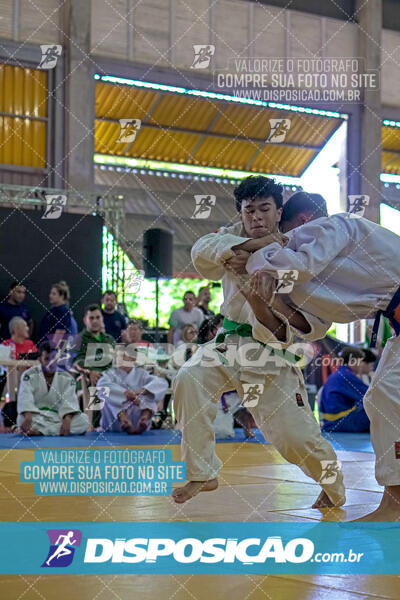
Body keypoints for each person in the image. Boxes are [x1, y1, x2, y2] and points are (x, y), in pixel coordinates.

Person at [172, 175, 345, 509]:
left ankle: (335, 488)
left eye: (264, 209)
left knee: (297, 441)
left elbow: (301, 327)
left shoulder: (299, 252)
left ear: (279, 211)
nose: (256, 218)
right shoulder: (229, 238)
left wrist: (260, 252)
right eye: (248, 211)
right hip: (226, 346)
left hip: (271, 356)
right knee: (188, 378)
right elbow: (200, 253)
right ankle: (203, 472)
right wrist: (248, 246)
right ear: (240, 213)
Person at [240, 190, 400, 521]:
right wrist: (264, 299)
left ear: (303, 221)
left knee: (385, 395)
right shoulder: (308, 273)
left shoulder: (337, 226)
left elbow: (301, 263)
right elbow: (311, 328)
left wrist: (254, 256)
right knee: (381, 398)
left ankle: (394, 505)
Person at [17, 342, 89, 436]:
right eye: (47, 359)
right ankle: (55, 431)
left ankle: (40, 432)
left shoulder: (67, 378)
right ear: (39, 359)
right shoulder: (29, 375)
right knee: (21, 419)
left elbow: (70, 401)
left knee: (83, 421)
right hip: (37, 416)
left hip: (58, 417)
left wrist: (67, 419)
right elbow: (25, 397)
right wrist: (28, 416)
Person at [97, 348, 168, 434]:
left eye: (123, 356)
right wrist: (125, 394)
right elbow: (101, 384)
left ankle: (144, 417)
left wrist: (140, 392)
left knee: (150, 394)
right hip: (114, 424)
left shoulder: (141, 374)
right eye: (117, 356)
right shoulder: (110, 373)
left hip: (137, 417)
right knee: (106, 395)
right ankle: (122, 417)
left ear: (133, 358)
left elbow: (162, 384)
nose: (118, 359)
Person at [319, 347, 370, 433]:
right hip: (339, 423)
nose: (362, 365)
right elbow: (371, 395)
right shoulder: (347, 377)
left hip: (330, 422)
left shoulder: (339, 374)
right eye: (361, 361)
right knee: (378, 414)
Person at [73, 304, 116, 388]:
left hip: (110, 380)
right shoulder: (78, 339)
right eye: (91, 318)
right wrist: (91, 371)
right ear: (85, 320)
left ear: (102, 319)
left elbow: (116, 361)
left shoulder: (110, 339)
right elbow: (76, 361)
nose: (95, 321)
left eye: (98, 317)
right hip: (87, 380)